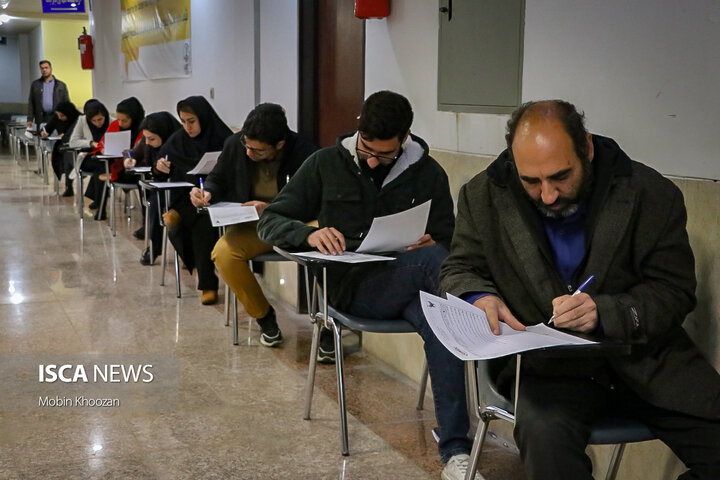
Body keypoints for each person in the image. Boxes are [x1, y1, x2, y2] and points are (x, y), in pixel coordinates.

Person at [439, 100, 720, 480]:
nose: (548, 195)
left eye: (560, 177)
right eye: (531, 182)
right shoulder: (484, 195)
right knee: (547, 447)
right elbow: (461, 268)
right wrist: (479, 297)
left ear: (586, 147)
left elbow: (674, 290)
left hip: (644, 359)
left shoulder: (650, 193)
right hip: (548, 371)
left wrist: (607, 313)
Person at [257, 90, 474, 478]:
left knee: (443, 323)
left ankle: (456, 452)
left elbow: (449, 235)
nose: (372, 160)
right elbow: (270, 219)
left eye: (384, 154)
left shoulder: (429, 173)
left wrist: (435, 240)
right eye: (366, 149)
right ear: (358, 130)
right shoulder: (326, 162)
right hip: (351, 289)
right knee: (441, 281)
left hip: (412, 284)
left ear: (405, 138)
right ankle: (486, 331)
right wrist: (309, 235)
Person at [189, 103, 317, 346]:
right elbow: (218, 178)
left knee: (330, 241)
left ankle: (327, 325)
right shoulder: (235, 146)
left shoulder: (306, 153)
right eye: (246, 145)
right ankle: (264, 317)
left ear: (280, 144)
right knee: (224, 253)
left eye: (257, 151)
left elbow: (317, 200)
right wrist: (207, 194)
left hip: (295, 224)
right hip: (255, 227)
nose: (248, 153)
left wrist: (271, 209)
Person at [157, 95, 232, 305]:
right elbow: (162, 167)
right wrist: (160, 167)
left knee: (202, 222)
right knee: (185, 220)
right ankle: (206, 282)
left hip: (215, 199)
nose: (187, 127)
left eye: (191, 121)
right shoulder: (178, 140)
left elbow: (233, 171)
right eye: (183, 121)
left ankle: (208, 285)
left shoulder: (223, 138)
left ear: (204, 118)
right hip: (184, 197)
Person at [123, 112, 182, 265]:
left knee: (157, 202)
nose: (147, 142)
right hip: (160, 186)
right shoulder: (147, 141)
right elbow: (132, 153)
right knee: (156, 201)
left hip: (182, 188)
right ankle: (154, 247)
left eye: (152, 139)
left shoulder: (180, 142)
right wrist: (128, 160)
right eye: (146, 138)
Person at [83, 97, 145, 220]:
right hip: (117, 166)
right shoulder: (115, 125)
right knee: (101, 167)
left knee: (143, 180)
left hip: (137, 168)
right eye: (119, 119)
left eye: (125, 120)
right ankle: (101, 208)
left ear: (134, 117)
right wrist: (103, 149)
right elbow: (102, 143)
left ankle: (146, 219)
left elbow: (143, 152)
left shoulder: (143, 129)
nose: (121, 123)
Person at [41, 101, 81, 197]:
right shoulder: (56, 118)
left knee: (68, 155)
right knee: (66, 153)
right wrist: (44, 132)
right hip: (62, 146)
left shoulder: (79, 118)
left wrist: (67, 135)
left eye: (62, 116)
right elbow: (47, 129)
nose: (59, 118)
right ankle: (70, 182)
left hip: (78, 146)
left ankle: (70, 183)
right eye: (58, 115)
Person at [27, 60, 70, 128]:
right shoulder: (35, 85)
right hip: (41, 118)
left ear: (51, 69)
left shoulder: (60, 85)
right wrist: (30, 119)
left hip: (56, 118)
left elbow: (67, 103)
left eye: (46, 68)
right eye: (42, 68)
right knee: (41, 137)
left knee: (56, 137)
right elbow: (31, 103)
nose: (44, 70)